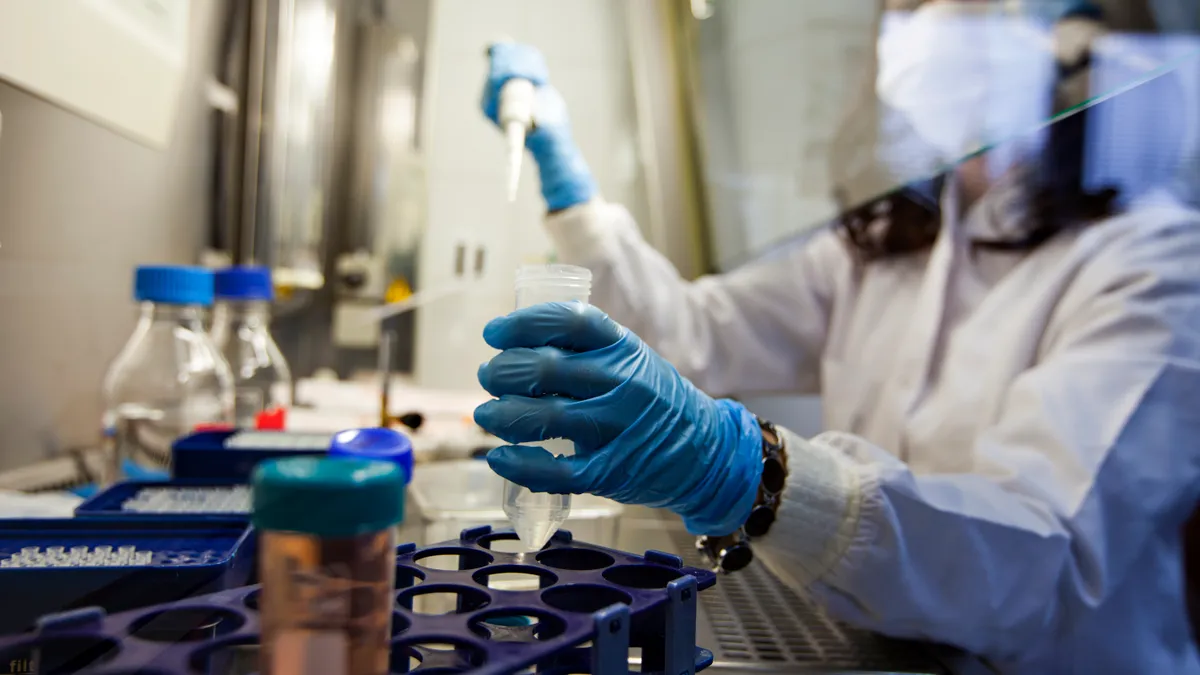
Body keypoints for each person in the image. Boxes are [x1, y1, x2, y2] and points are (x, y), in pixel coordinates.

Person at [473, 2, 1200, 673]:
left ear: (1068, 40)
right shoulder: (892, 241)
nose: (930, 26)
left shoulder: (1154, 263)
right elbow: (688, 333)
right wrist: (575, 197)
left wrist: (753, 473)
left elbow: (1036, 569)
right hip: (878, 642)